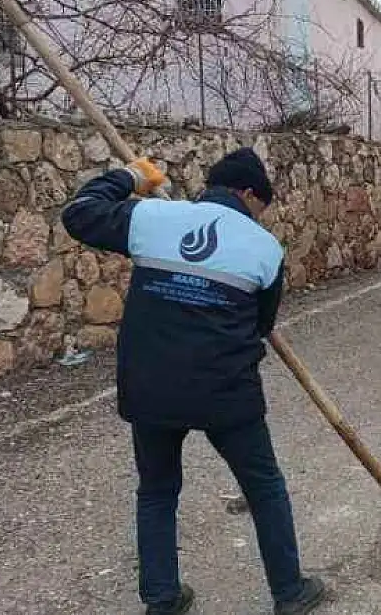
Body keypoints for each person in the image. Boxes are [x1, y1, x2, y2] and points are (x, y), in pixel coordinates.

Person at [61, 148, 328, 615]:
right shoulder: (266, 249)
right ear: (247, 194)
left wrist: (128, 177)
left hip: (151, 388)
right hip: (226, 393)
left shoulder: (153, 217)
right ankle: (290, 592)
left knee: (157, 491)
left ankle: (162, 600)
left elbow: (79, 215)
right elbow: (260, 326)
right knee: (264, 489)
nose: (261, 216)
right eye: (261, 205)